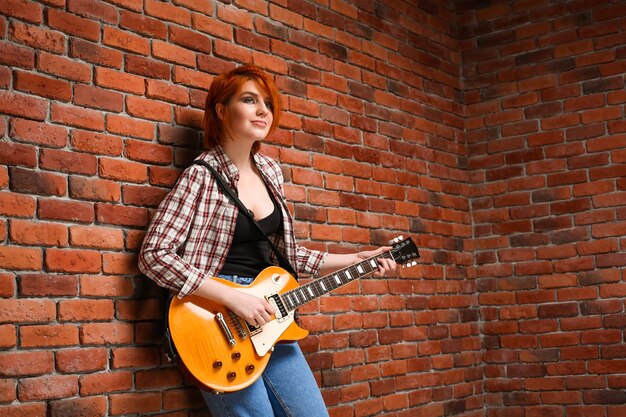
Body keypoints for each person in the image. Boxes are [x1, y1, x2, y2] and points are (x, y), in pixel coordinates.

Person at [138, 64, 397, 417]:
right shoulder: (202, 174)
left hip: (272, 313)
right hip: (216, 318)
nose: (263, 111)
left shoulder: (271, 171)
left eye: (268, 104)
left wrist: (359, 258)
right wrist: (234, 298)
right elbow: (154, 254)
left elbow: (291, 256)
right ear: (221, 110)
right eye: (249, 100)